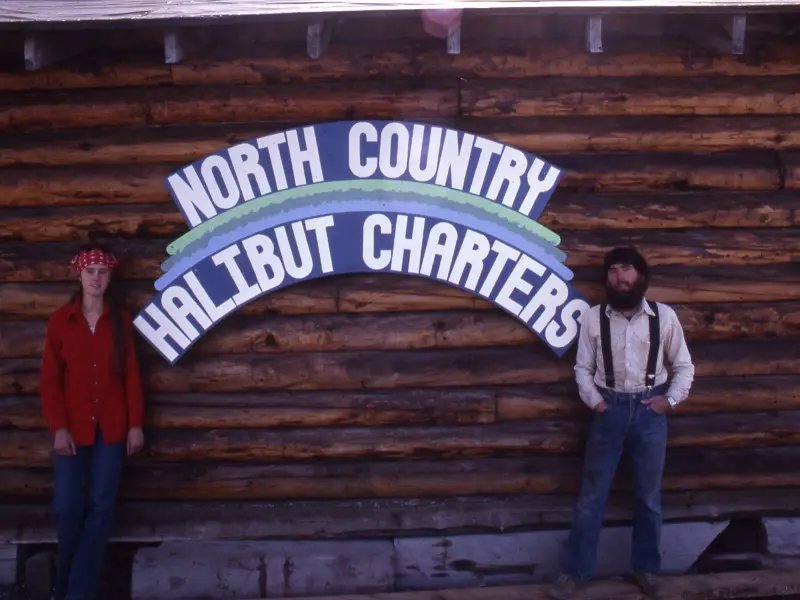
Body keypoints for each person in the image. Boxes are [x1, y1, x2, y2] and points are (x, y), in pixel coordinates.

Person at [548, 246, 695, 600]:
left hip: (649, 413)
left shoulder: (664, 317)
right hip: (608, 410)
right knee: (590, 498)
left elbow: (684, 366)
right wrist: (596, 402)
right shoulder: (594, 318)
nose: (620, 277)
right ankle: (575, 573)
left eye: (626, 269)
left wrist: (669, 401)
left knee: (647, 498)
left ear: (641, 276)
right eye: (613, 271)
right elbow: (582, 368)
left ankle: (646, 570)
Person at [40, 245, 145, 600]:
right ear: (79, 276)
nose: (96, 278)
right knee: (68, 508)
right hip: (71, 428)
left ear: (110, 277)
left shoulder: (121, 321)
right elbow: (50, 380)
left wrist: (135, 424)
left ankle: (74, 593)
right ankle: (68, 586)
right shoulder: (60, 322)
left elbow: (131, 375)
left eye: (102, 271)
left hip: (112, 428)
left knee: (101, 506)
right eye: (90, 272)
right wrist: (59, 427)